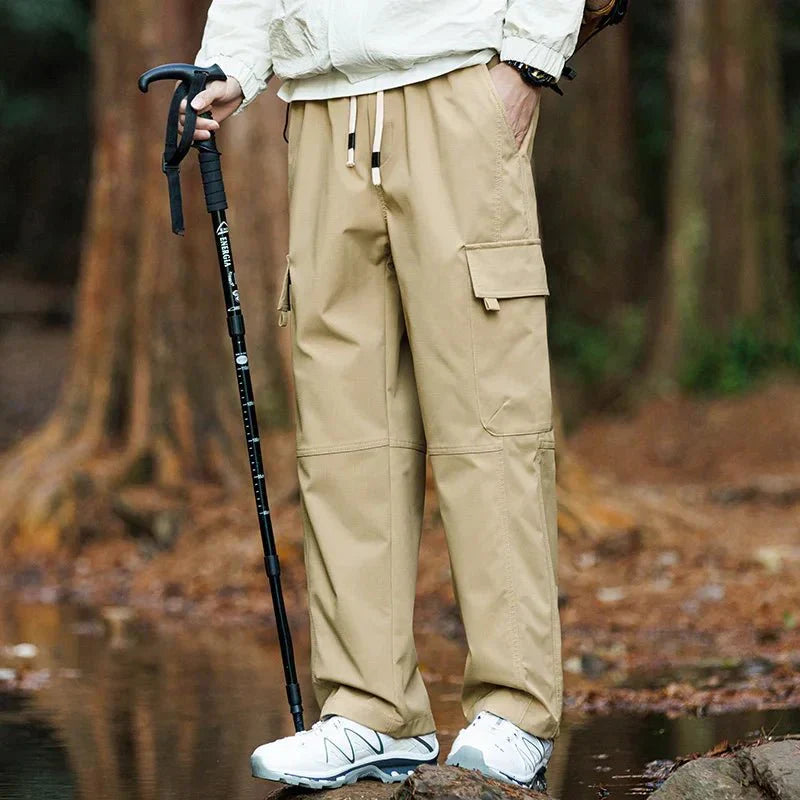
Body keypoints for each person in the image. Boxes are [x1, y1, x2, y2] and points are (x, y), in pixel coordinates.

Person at [187, 0, 583, 790]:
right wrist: (230, 61)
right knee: (345, 432)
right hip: (322, 105)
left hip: (459, 87)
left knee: (488, 416)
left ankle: (516, 710)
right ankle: (368, 710)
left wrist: (529, 59)